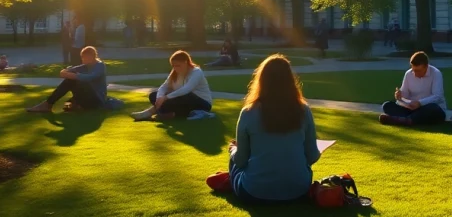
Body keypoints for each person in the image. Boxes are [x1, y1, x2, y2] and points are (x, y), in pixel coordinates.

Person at [207, 54, 321, 204]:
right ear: (290, 80)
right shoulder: (303, 110)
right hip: (298, 191)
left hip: (254, 192)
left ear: (261, 80)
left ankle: (231, 179)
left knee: (235, 156)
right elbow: (312, 156)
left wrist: (233, 150)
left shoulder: (249, 112)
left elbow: (241, 160)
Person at [132, 50, 213, 121]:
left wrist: (165, 97)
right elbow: (164, 87)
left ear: (186, 62)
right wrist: (159, 98)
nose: (175, 68)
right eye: (173, 66)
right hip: (182, 102)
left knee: (184, 95)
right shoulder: (175, 72)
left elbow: (187, 89)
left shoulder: (196, 72)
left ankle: (154, 112)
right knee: (153, 95)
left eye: (178, 65)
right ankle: (168, 113)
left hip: (201, 103)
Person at [26, 46, 107, 113]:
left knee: (72, 80)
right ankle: (52, 104)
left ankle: (48, 104)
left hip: (97, 100)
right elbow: (67, 71)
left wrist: (72, 75)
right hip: (87, 97)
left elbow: (88, 78)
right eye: (82, 57)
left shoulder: (100, 65)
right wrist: (65, 72)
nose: (83, 60)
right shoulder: (85, 66)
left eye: (84, 57)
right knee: (66, 106)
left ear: (92, 57)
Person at [379, 51, 446, 126]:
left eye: (418, 71)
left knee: (433, 108)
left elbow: (437, 96)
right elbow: (405, 94)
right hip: (412, 109)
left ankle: (404, 119)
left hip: (428, 108)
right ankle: (408, 119)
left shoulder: (436, 73)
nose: (415, 74)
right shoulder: (409, 74)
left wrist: (420, 103)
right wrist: (399, 95)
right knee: (387, 105)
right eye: (414, 70)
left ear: (426, 66)